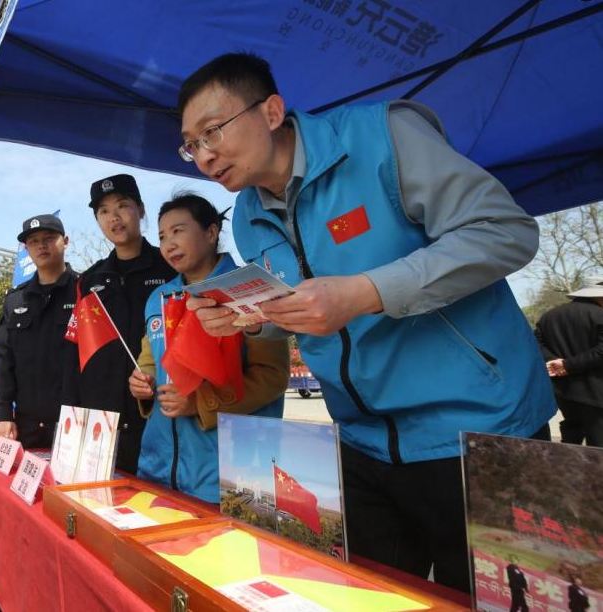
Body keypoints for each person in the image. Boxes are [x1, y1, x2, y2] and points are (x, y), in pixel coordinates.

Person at [178, 53, 555, 592]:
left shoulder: (383, 136)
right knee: (353, 595)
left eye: (212, 131)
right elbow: (304, 312)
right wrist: (250, 321)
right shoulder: (248, 219)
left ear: (272, 111)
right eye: (191, 144)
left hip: (479, 434)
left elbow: (505, 231)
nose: (203, 156)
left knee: (491, 598)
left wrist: (366, 293)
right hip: (359, 442)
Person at [128, 194, 288, 502]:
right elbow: (149, 358)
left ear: (211, 232)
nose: (168, 243)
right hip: (158, 468)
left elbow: (273, 377)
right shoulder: (159, 298)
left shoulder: (249, 289)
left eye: (178, 231)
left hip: (225, 477)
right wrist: (143, 379)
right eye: (162, 236)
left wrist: (199, 403)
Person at [62, 174, 175, 474]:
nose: (114, 217)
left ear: (141, 209)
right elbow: (78, 355)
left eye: (123, 206)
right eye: (104, 211)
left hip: (158, 418)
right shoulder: (88, 281)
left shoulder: (171, 269)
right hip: (102, 424)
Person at [0, 214, 78, 448]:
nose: (41, 245)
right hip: (23, 427)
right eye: (33, 241)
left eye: (49, 238)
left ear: (65, 241)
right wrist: (2, 413)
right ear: (26, 247)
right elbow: (3, 360)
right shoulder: (15, 299)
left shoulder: (85, 292)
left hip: (73, 426)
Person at [535, 277, 603, 446]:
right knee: (599, 445)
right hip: (597, 393)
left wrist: (555, 363)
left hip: (563, 392)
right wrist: (567, 366)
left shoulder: (548, 316)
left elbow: (534, 344)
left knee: (571, 440)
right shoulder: (600, 315)